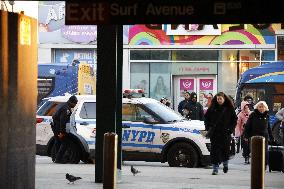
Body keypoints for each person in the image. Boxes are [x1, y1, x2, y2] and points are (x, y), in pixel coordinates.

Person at [204, 92, 237, 175]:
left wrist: (230, 129)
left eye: (220, 99)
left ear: (224, 99)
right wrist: (208, 128)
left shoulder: (229, 108)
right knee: (214, 151)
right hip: (215, 133)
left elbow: (234, 120)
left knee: (225, 150)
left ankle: (225, 164)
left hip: (225, 133)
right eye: (218, 98)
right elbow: (206, 118)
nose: (219, 100)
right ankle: (215, 168)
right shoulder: (212, 107)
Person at [243, 101, 274, 168]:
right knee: (255, 152)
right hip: (254, 136)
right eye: (260, 107)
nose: (261, 108)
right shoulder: (253, 115)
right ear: (257, 107)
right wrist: (246, 135)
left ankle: (264, 165)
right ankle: (256, 165)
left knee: (264, 152)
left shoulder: (267, 116)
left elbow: (269, 128)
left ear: (265, 108)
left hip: (264, 137)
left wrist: (271, 137)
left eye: (263, 107)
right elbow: (248, 126)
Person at [51, 95, 78, 163]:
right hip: (58, 127)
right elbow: (62, 121)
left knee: (58, 142)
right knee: (65, 142)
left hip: (55, 126)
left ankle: (55, 158)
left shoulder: (64, 105)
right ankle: (59, 159)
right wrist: (62, 132)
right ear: (72, 102)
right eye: (75, 104)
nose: (75, 105)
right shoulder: (66, 109)